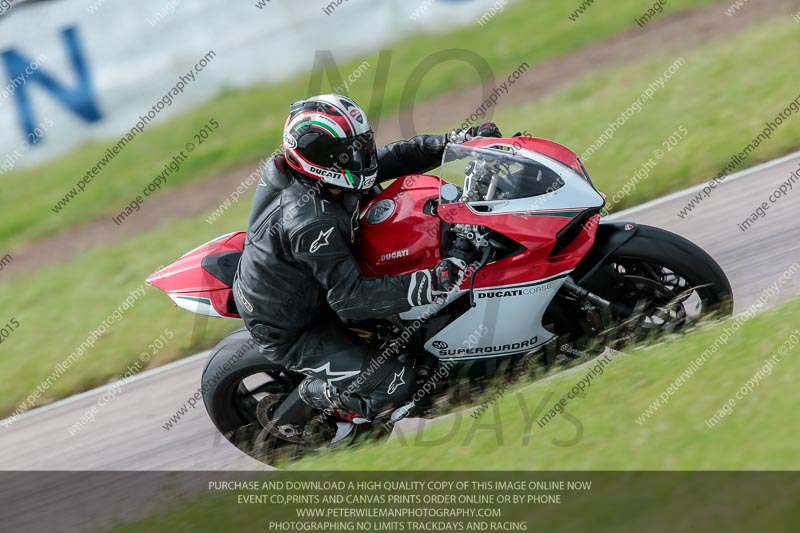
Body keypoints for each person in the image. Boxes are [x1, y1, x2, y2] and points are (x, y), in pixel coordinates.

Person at [233, 93, 501, 442]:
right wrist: (436, 280)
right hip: (296, 325)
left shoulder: (325, 173)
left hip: (317, 279)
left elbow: (396, 157)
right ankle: (313, 395)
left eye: (360, 145)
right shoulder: (311, 220)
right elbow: (351, 299)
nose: (360, 157)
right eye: (347, 153)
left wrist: (457, 142)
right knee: (402, 385)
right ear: (319, 159)